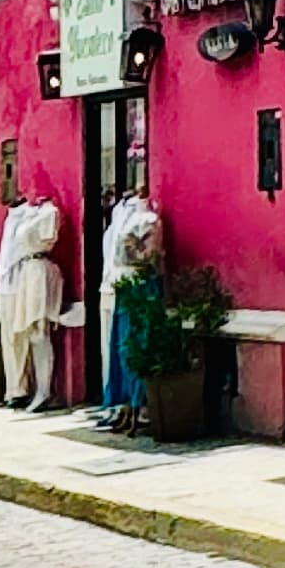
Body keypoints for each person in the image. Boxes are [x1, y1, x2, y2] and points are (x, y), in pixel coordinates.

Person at [98, 185, 161, 432]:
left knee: (137, 342)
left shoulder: (149, 219)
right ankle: (122, 400)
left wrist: (132, 245)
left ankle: (139, 403)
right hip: (121, 286)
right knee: (120, 346)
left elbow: (148, 256)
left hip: (140, 284)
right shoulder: (119, 216)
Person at [0, 192, 64, 411]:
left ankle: (44, 390)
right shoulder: (27, 216)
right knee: (30, 331)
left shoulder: (46, 213)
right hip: (27, 273)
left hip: (38, 272)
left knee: (39, 331)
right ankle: (33, 389)